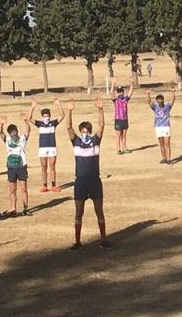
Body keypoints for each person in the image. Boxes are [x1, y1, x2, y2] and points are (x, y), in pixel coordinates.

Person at [66, 98, 112, 250]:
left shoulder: (95, 142)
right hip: (80, 182)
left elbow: (102, 126)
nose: (85, 133)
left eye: (87, 131)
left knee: (99, 211)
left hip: (94, 181)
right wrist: (69, 111)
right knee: (79, 212)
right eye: (83, 131)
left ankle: (103, 239)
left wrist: (100, 109)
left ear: (90, 132)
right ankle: (77, 242)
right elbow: (68, 127)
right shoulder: (76, 142)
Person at [28, 99, 65, 191]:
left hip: (52, 146)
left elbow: (62, 115)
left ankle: (53, 185)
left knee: (52, 165)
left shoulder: (53, 123)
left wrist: (58, 105)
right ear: (42, 117)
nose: (46, 117)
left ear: (50, 116)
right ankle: (44, 185)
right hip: (42, 148)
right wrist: (32, 107)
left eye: (47, 116)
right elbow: (29, 118)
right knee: (44, 166)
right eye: (44, 116)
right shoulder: (39, 124)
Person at [0, 117, 31, 217]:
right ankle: (13, 207)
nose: (14, 133)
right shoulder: (7, 140)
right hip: (11, 167)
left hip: (21, 167)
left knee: (23, 188)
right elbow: (0, 133)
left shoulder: (22, 139)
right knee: (12, 190)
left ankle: (26, 208)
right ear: (9, 133)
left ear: (17, 131)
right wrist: (1, 124)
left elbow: (28, 131)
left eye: (15, 131)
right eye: (11, 132)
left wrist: (26, 121)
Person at [149, 86, 177, 165]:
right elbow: (149, 102)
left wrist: (173, 92)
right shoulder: (155, 107)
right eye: (158, 100)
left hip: (166, 127)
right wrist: (148, 94)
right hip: (158, 127)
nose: (160, 102)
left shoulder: (167, 107)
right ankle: (164, 158)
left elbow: (172, 100)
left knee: (167, 144)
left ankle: (169, 159)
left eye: (161, 100)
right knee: (161, 144)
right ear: (157, 101)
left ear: (163, 100)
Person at [112, 82, 134, 155]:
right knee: (118, 135)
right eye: (119, 92)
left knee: (124, 135)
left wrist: (132, 84)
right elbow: (111, 92)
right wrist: (113, 84)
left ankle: (124, 148)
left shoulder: (125, 99)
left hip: (125, 119)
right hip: (118, 119)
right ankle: (118, 149)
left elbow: (131, 91)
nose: (120, 93)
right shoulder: (115, 100)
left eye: (121, 91)